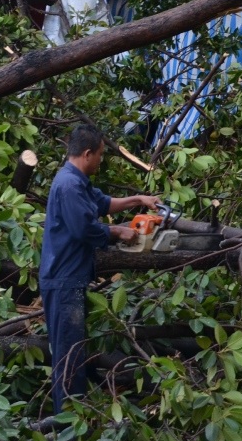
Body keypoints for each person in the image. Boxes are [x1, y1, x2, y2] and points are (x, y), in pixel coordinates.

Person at [41, 124, 162, 413]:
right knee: (68, 357)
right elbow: (84, 228)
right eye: (100, 155)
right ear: (87, 154)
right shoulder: (69, 186)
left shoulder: (77, 181)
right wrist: (119, 232)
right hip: (63, 281)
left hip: (70, 279)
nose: (101, 160)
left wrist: (139, 200)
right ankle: (67, 423)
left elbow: (103, 203)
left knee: (73, 352)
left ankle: (75, 416)